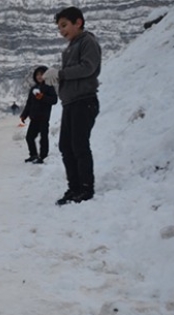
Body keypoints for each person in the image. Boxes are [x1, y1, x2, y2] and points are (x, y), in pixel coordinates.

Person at [43, 6, 101, 205]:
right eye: (59, 28)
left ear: (79, 22)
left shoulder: (88, 42)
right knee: (66, 146)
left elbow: (88, 67)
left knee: (79, 146)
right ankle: (73, 187)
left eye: (64, 25)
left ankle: (86, 188)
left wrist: (60, 74)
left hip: (84, 102)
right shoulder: (69, 48)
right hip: (70, 103)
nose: (61, 31)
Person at [20, 66, 58, 164]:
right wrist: (24, 115)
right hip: (34, 118)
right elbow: (29, 103)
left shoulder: (49, 87)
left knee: (43, 138)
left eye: (41, 74)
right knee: (29, 137)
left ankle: (43, 157)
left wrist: (43, 97)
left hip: (44, 118)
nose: (39, 76)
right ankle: (33, 155)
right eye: (37, 75)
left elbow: (54, 100)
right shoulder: (33, 89)